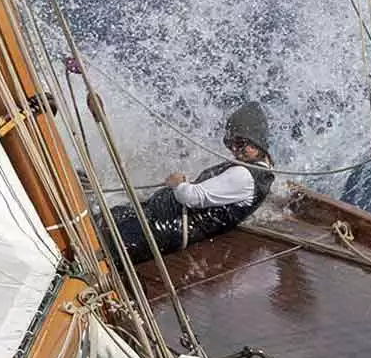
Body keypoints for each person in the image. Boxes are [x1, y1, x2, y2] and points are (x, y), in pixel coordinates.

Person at [106, 102, 274, 263]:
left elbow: (192, 197)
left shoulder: (244, 175)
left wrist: (179, 183)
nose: (234, 150)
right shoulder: (261, 170)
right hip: (160, 215)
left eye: (240, 143)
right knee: (105, 220)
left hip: (164, 226)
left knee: (104, 243)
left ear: (256, 140)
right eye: (230, 144)